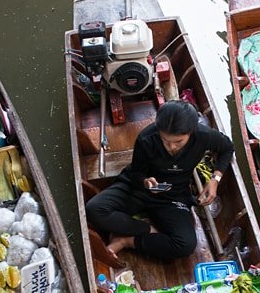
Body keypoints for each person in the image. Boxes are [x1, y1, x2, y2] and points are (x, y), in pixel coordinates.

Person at [84, 100, 234, 260]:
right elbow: (137, 173)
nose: (171, 147)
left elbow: (227, 148)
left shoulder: (204, 136)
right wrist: (145, 181)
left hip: (173, 196)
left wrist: (215, 179)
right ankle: (146, 229)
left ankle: (127, 241)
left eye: (178, 142)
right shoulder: (146, 138)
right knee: (94, 209)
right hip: (139, 189)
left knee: (186, 245)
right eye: (165, 141)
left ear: (192, 132)